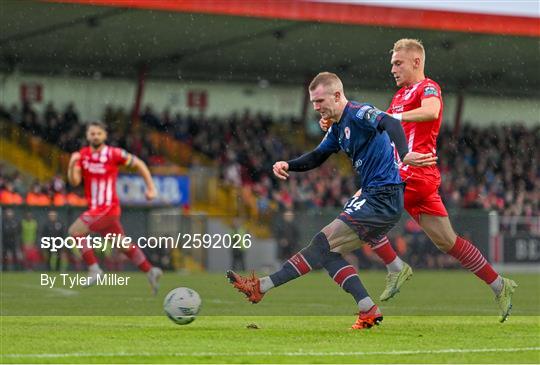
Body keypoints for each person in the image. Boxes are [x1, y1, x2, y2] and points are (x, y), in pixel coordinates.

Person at [319, 39, 517, 322]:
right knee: (448, 241)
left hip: (412, 171)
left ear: (416, 62)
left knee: (362, 208)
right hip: (414, 176)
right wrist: (335, 121)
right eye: (391, 64)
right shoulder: (398, 97)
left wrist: (393, 116)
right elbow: (381, 128)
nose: (393, 70)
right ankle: (499, 284)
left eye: (398, 63)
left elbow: (432, 111)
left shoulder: (427, 87)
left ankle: (395, 267)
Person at [227, 72, 436, 329]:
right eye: (313, 102)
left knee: (320, 244)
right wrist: (287, 165)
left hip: (384, 196)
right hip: (375, 196)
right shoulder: (337, 127)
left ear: (337, 96)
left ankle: (261, 287)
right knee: (328, 254)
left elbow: (390, 123)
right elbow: (317, 156)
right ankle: (367, 308)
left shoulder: (359, 113)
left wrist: (404, 154)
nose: (316, 108)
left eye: (320, 101)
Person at [67, 121, 162, 294]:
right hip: (98, 210)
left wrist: (151, 188)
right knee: (123, 245)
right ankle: (150, 271)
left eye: (98, 133)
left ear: (105, 136)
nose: (95, 136)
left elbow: (139, 163)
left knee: (75, 231)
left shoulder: (113, 153)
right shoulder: (83, 155)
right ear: (87, 136)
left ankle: (94, 269)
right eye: (92, 133)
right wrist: (72, 164)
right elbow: (75, 181)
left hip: (107, 207)